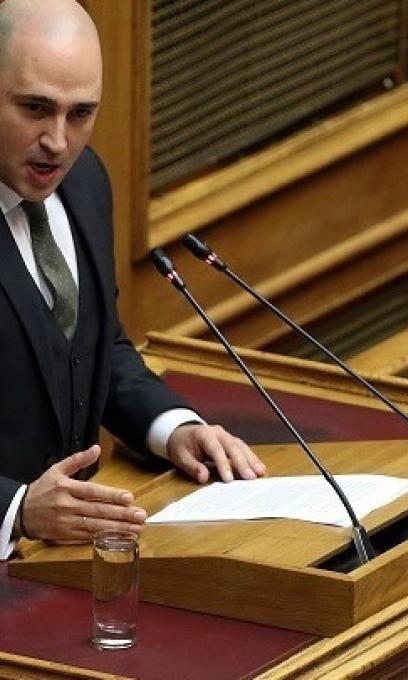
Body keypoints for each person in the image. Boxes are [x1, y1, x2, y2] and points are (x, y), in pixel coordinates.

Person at [0, 0, 266, 557]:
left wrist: (172, 428)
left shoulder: (85, 183)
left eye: (80, 114)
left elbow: (98, 350)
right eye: (35, 108)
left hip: (75, 560)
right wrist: (16, 509)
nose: (58, 141)